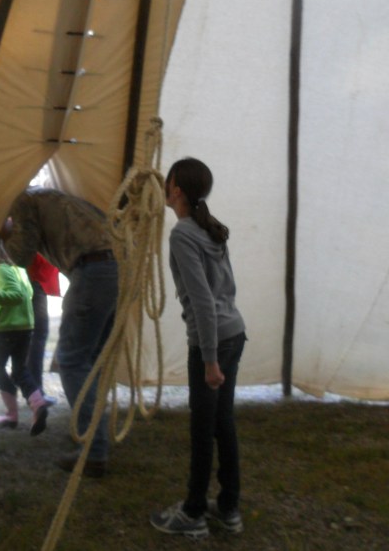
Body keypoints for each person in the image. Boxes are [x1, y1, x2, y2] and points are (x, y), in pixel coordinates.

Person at [150, 157, 247, 540]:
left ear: (176, 190)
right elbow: (226, 289)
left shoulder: (183, 234)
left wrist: (208, 360)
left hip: (214, 341)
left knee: (203, 428)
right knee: (222, 422)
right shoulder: (209, 227)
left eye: (168, 181)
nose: (164, 187)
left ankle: (193, 512)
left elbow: (203, 301)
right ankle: (229, 508)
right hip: (234, 332)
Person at [4, 187, 118, 478]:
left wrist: (2, 237)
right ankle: (95, 438)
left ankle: (94, 450)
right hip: (117, 267)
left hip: (92, 270)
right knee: (91, 361)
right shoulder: (52, 195)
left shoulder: (23, 200)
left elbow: (21, 254)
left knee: (72, 360)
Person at [0, 242, 48, 436]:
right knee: (20, 370)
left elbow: (17, 295)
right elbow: (29, 293)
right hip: (24, 327)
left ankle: (12, 415)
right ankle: (38, 404)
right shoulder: (19, 270)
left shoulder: (0, 270)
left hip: (7, 328)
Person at [26, 252, 61, 407]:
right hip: (34, 280)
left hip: (36, 279)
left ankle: (33, 390)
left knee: (36, 335)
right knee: (37, 335)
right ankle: (35, 391)